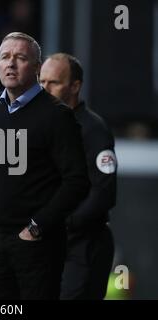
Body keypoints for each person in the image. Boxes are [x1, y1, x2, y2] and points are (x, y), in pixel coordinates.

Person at [0, 32, 90, 300]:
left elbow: (77, 182)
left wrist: (36, 227)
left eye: (20, 58)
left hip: (38, 245)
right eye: (5, 57)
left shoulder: (58, 115)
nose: (11, 64)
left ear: (37, 67)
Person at [40, 53, 117, 300]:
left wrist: (62, 222)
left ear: (75, 86)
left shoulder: (94, 130)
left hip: (84, 245)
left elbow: (104, 194)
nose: (44, 89)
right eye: (41, 82)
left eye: (53, 83)